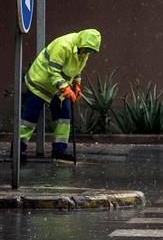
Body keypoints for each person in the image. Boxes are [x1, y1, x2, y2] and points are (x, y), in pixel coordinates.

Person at [18, 29, 102, 162]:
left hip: (58, 86)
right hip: (40, 82)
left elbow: (76, 69)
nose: (87, 53)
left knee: (64, 117)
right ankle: (18, 149)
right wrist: (65, 88)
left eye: (90, 51)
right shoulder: (63, 45)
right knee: (29, 117)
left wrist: (76, 84)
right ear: (81, 43)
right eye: (86, 49)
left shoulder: (83, 51)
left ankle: (59, 151)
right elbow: (53, 71)